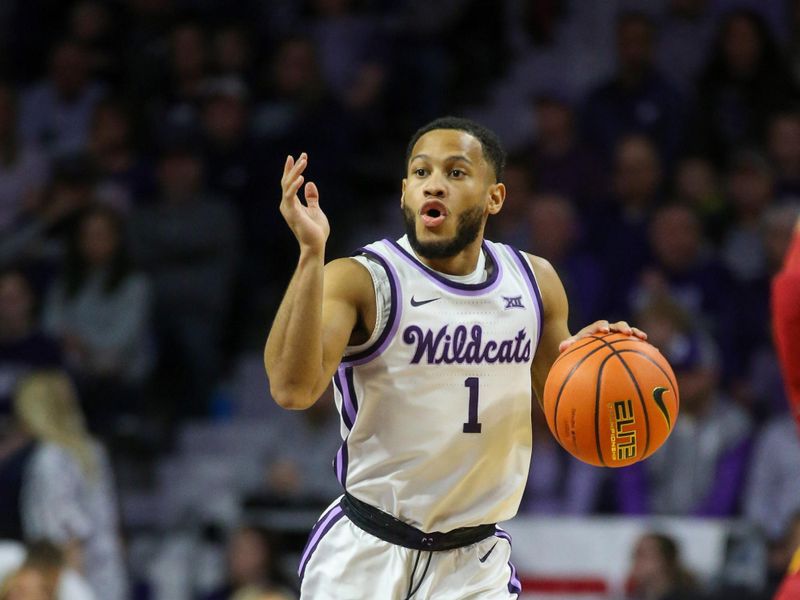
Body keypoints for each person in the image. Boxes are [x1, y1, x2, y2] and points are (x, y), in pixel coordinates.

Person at [264, 116, 646, 598]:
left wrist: (596, 364)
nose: (434, 186)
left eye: (456, 173)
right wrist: (309, 255)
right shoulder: (364, 279)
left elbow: (567, 414)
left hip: (473, 562)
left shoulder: (536, 283)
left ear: (495, 198)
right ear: (405, 193)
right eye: (421, 174)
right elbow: (291, 390)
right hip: (368, 550)